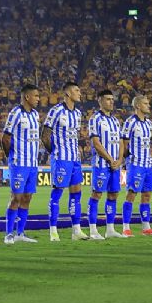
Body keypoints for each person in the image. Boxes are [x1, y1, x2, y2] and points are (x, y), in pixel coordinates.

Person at [43, 82, 87, 242]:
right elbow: (45, 135)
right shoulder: (56, 111)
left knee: (76, 193)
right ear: (67, 93)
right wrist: (54, 153)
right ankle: (53, 231)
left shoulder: (77, 113)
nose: (79, 93)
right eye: (77, 90)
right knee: (57, 193)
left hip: (75, 159)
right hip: (61, 159)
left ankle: (76, 230)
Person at [2, 84, 42, 244]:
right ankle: (8, 234)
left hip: (32, 164)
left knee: (27, 198)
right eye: (36, 96)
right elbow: (5, 138)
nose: (39, 99)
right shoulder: (16, 113)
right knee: (15, 198)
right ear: (27, 97)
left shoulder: (36, 115)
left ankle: (20, 233)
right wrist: (11, 157)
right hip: (19, 163)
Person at [87, 89, 125, 240]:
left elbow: (121, 142)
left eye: (112, 99)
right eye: (108, 99)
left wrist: (120, 159)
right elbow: (96, 143)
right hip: (101, 164)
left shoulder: (116, 121)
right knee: (96, 194)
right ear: (100, 101)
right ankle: (93, 230)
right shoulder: (95, 119)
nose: (111, 101)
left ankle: (110, 229)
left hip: (115, 165)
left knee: (113, 194)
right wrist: (110, 160)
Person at [119, 94, 152, 236]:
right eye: (146, 103)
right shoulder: (130, 122)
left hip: (148, 164)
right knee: (131, 194)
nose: (148, 105)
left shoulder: (148, 123)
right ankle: (126, 228)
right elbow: (123, 142)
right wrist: (126, 157)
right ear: (138, 106)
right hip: (135, 164)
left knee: (147, 194)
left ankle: (146, 227)